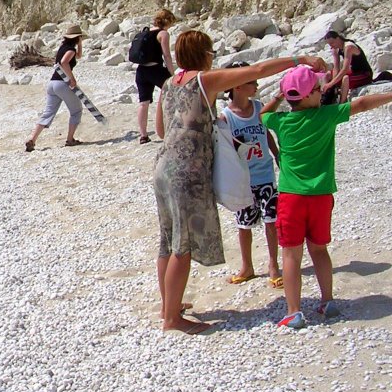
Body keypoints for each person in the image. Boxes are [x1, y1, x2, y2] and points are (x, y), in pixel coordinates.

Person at [152, 31, 325, 334]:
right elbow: (257, 71)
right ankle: (172, 320)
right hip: (187, 171)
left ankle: (170, 305)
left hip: (163, 165)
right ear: (203, 53)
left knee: (168, 237)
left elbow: (159, 129)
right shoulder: (203, 81)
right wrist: (300, 59)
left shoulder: (168, 84)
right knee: (183, 244)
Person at [262, 66, 392, 329]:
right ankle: (328, 300)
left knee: (291, 255)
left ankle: (293, 311)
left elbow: (263, 113)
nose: (322, 92)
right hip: (321, 196)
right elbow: (364, 103)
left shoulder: (281, 121)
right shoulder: (327, 116)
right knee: (319, 249)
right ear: (309, 95)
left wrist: (278, 95)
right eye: (319, 89)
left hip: (291, 198)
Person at [221, 62, 282, 288]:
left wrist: (276, 155)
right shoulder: (226, 116)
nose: (256, 85)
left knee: (271, 220)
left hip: (265, 174)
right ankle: (247, 266)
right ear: (236, 86)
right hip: (244, 180)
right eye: (251, 82)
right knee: (244, 225)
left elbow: (267, 134)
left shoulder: (259, 108)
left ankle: (273, 265)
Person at [24, 25, 85, 151]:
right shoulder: (70, 51)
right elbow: (64, 62)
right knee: (76, 111)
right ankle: (70, 139)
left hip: (52, 84)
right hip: (62, 84)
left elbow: (78, 56)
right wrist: (72, 79)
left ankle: (32, 139)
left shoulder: (64, 48)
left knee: (48, 113)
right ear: (77, 37)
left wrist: (79, 44)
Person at [135, 9, 177, 144]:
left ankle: (143, 135)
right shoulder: (163, 34)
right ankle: (171, 127)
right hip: (156, 70)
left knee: (143, 103)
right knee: (173, 95)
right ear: (168, 20)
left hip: (141, 71)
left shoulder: (145, 32)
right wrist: (172, 74)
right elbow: (167, 55)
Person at [322, 30, 373, 103]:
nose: (331, 46)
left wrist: (331, 83)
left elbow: (345, 69)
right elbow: (336, 67)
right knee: (327, 75)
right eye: (329, 44)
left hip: (364, 74)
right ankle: (326, 97)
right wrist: (333, 84)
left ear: (338, 38)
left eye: (332, 43)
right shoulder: (335, 49)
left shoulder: (348, 47)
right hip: (353, 71)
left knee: (345, 78)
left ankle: (342, 103)